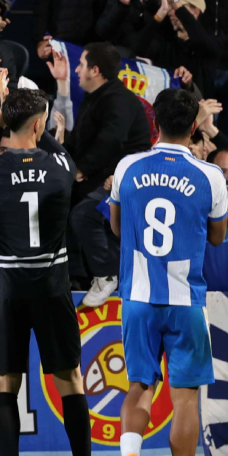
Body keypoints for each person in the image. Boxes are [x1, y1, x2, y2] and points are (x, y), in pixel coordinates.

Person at [0, 86, 101, 456]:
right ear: (41, 125)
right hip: (51, 286)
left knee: (5, 382)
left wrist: (2, 112)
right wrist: (33, 122)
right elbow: (56, 150)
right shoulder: (62, 166)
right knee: (71, 381)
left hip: (8, 290)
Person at [106, 89, 228, 456]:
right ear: (195, 125)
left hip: (138, 297)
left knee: (138, 387)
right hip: (184, 300)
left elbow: (118, 227)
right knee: (186, 398)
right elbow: (217, 236)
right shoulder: (210, 176)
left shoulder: (127, 167)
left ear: (154, 121)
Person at [68, 42, 152, 304]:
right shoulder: (92, 100)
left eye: (81, 65)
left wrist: (82, 168)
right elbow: (77, 143)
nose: (76, 71)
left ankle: (107, 275)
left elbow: (111, 140)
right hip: (99, 178)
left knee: (86, 215)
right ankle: (76, 278)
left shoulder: (119, 100)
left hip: (127, 180)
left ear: (95, 70)